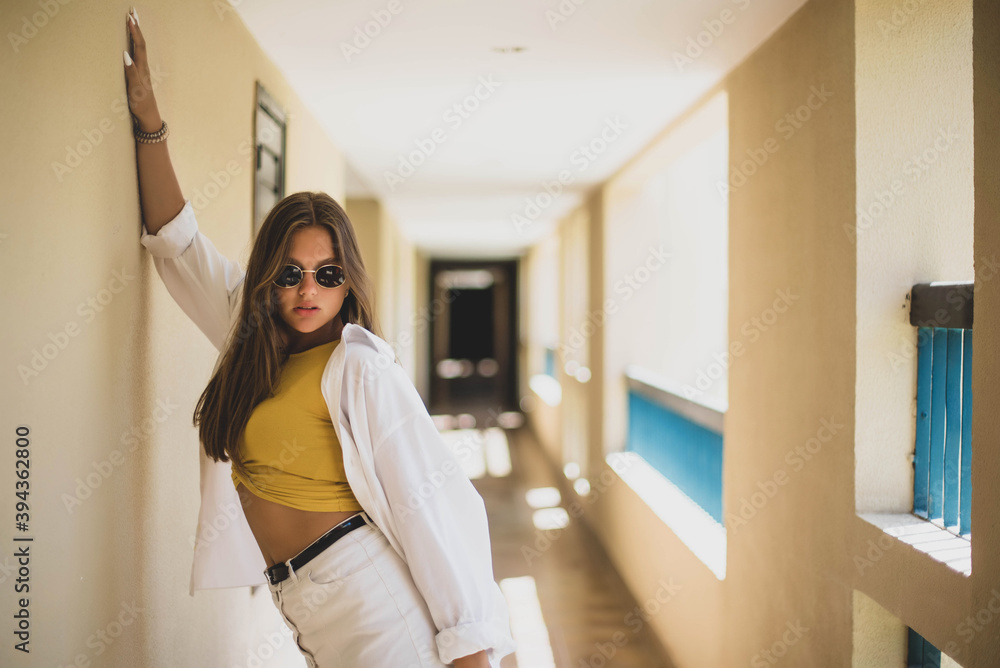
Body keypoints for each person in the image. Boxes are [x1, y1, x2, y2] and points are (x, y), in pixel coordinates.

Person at [122, 8, 515, 667]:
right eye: (292, 274)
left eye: (327, 274)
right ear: (270, 278)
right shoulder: (253, 339)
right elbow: (177, 242)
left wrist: (472, 650)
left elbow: (432, 507)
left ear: (347, 280)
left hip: (371, 602)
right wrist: (148, 122)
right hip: (306, 604)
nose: (308, 290)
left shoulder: (360, 370)